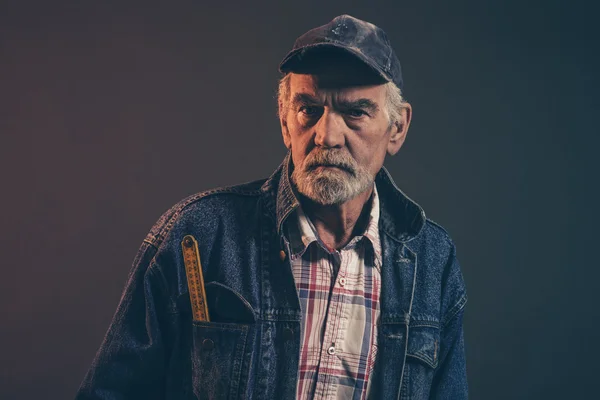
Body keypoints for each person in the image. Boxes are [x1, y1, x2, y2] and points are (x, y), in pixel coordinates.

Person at [76, 14, 468, 400]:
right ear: (284, 120)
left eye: (355, 112)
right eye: (308, 109)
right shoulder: (196, 235)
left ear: (397, 127)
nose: (327, 135)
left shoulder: (433, 262)